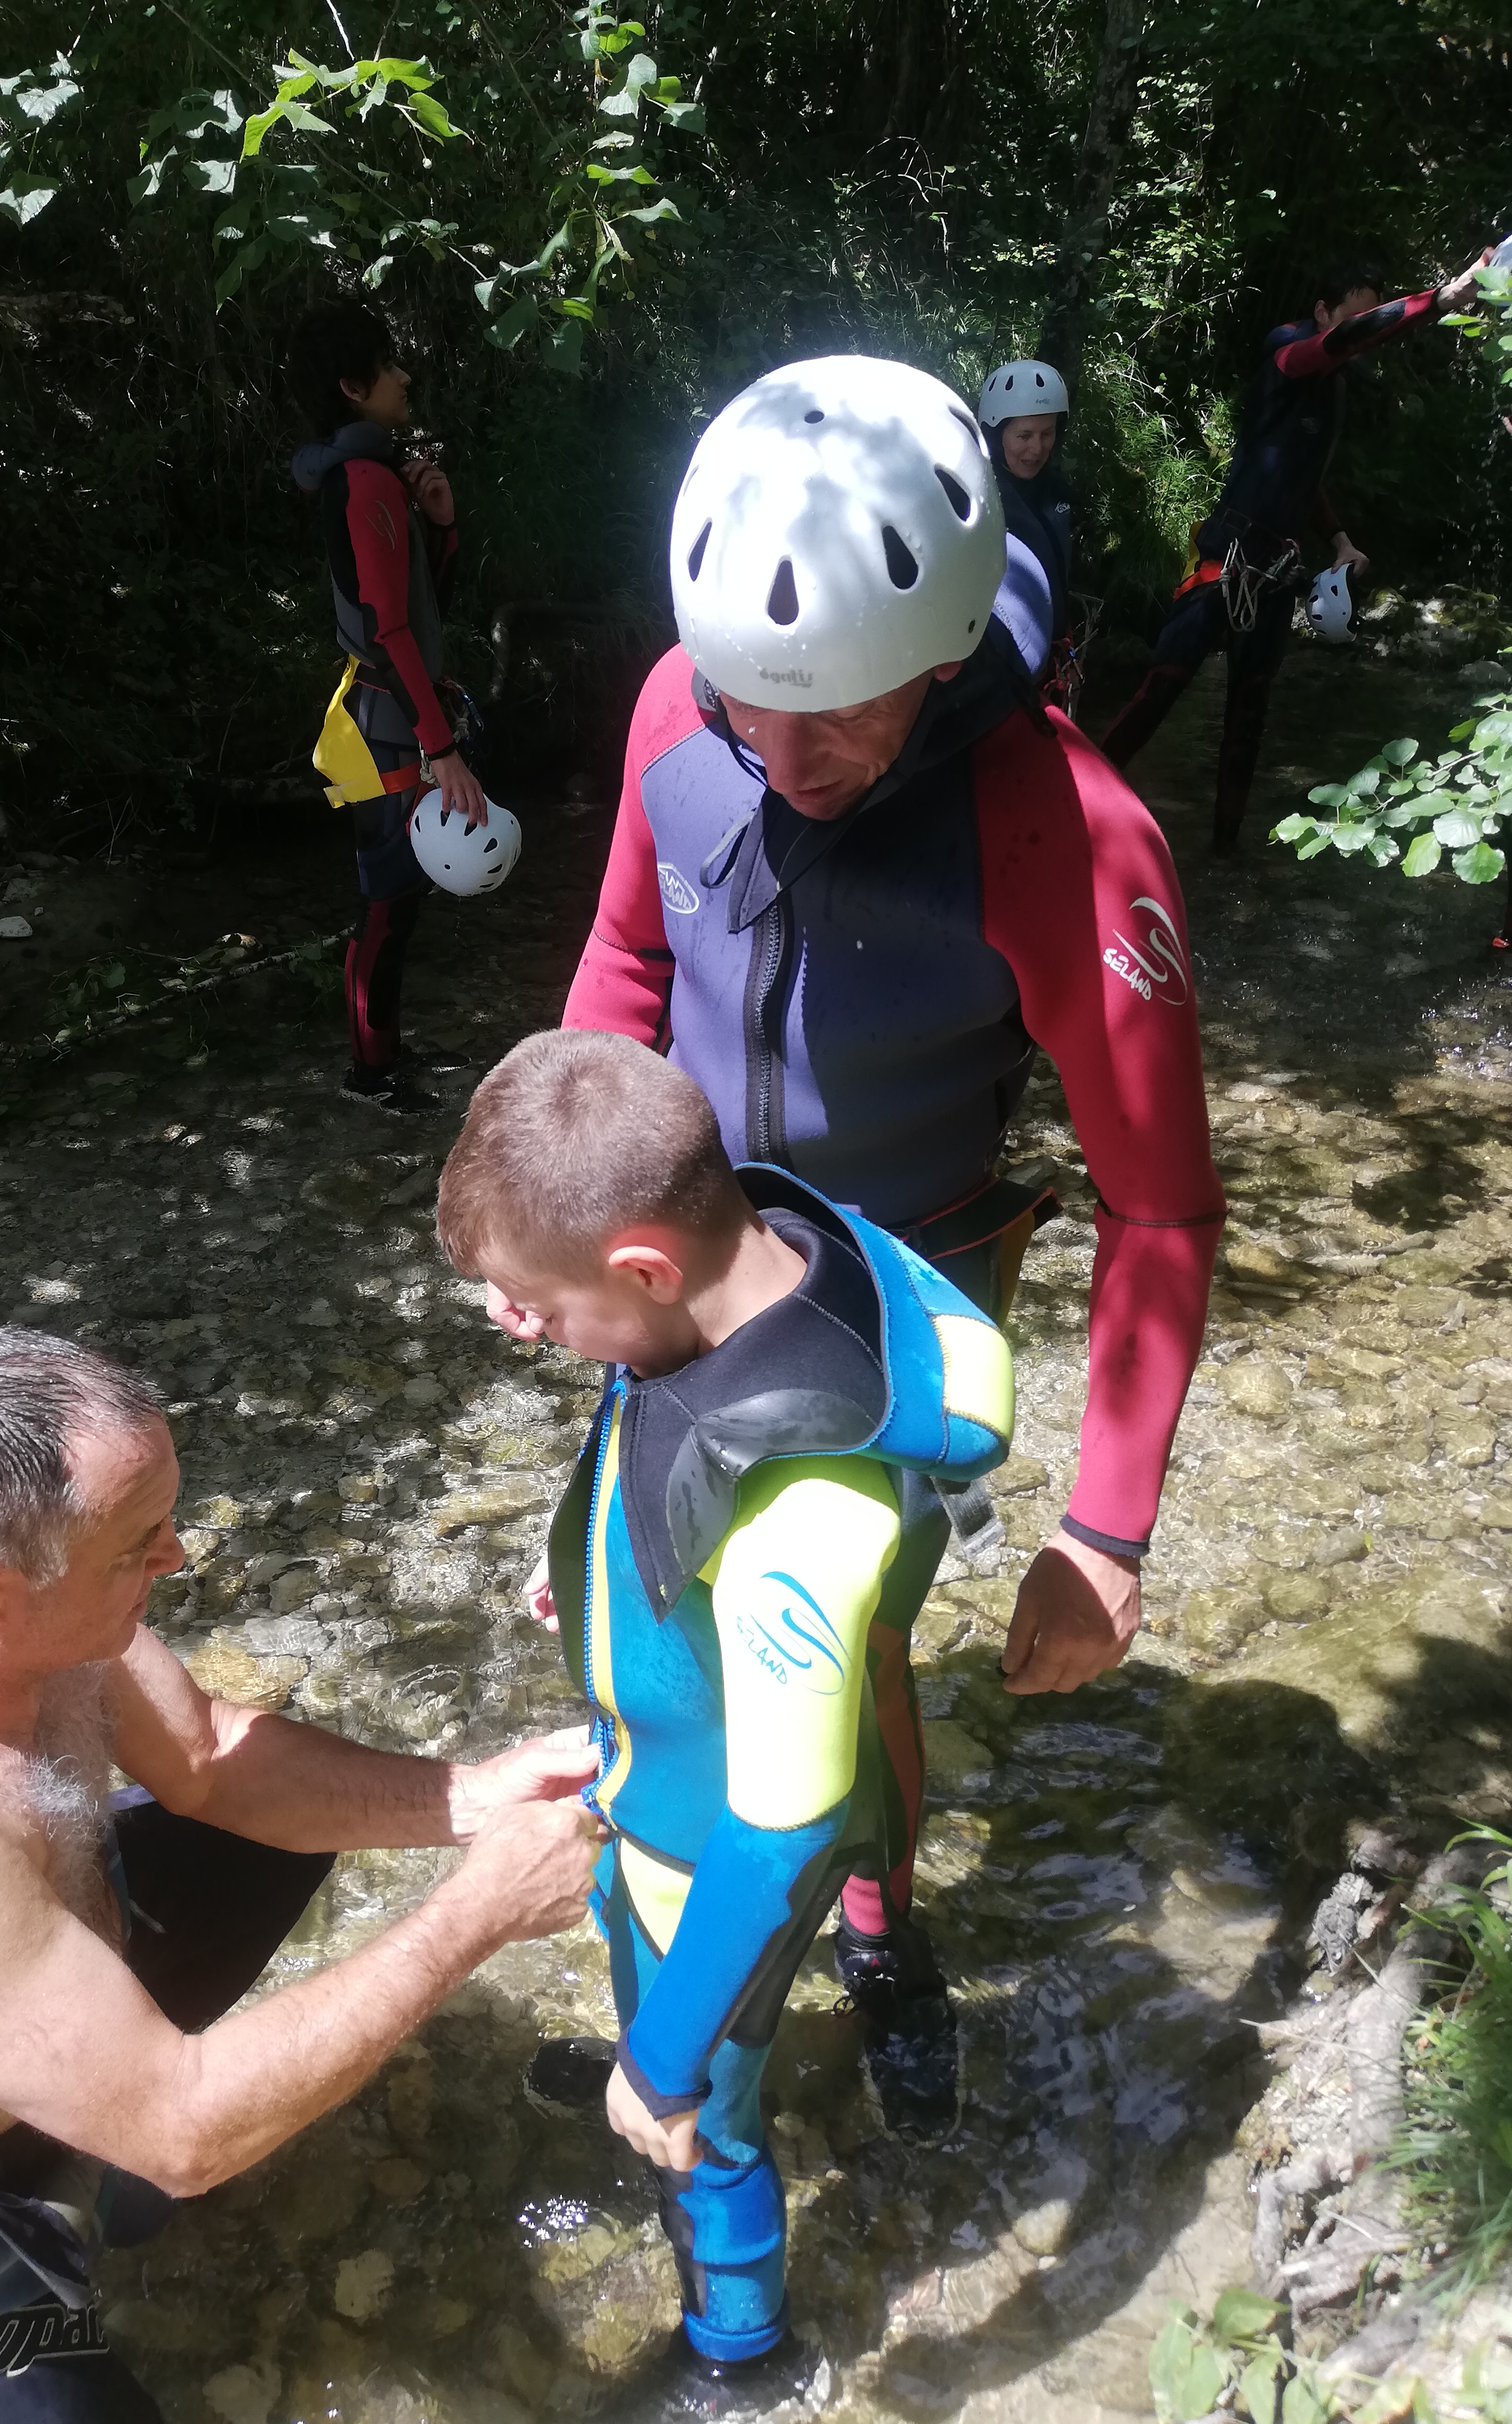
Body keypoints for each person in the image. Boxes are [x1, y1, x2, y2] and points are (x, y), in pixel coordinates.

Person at [560, 351, 1226, 2136]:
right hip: (683, 1260)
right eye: (749, 704)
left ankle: (876, 1929)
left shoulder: (1068, 835)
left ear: (938, 657)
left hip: (899, 1277)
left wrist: (1104, 1531)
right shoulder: (674, 713)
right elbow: (627, 963)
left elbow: (1160, 1202)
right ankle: (689, 1938)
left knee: (837, 1639)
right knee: (654, 1601)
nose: (784, 761)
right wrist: (568, 1219)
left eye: (838, 714)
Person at [0, 1326, 601, 2423]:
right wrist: (482, 1910)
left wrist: (476, 1795)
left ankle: (102, 2151)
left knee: (273, 1843)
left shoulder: (7, 1588)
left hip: (9, 1969)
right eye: (137, 1542)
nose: (175, 1557)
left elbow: (207, 1756)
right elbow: (185, 2133)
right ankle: (82, 2175)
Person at [436, 1029, 1014, 2411]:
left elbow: (781, 1830)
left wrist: (661, 2061)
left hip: (704, 1857)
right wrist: (588, 1561)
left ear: (643, 1264)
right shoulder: (758, 1249)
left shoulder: (796, 1528)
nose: (522, 1326)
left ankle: (740, 2359)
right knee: (671, 2018)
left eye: (539, 1305)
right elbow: (653, 1418)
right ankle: (703, 2029)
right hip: (694, 1749)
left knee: (708, 2129)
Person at [1101, 250, 1489, 854]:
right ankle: (1082, 796)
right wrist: (1439, 299)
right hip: (1226, 555)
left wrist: (1339, 539)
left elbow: (1305, 479)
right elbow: (1342, 342)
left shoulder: (1335, 389)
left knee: (1248, 718)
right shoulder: (1287, 352)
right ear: (1322, 312)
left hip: (1278, 569)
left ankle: (1225, 855)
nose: (1361, 334)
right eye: (1353, 318)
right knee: (1162, 688)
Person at [289, 299, 488, 1114]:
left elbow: (418, 607)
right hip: (387, 729)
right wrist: (442, 750)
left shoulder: (374, 475)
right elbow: (387, 628)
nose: (405, 377)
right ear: (352, 386)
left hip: (392, 716)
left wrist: (441, 528)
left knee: (400, 899)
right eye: (389, 365)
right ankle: (370, 1074)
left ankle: (385, 1053)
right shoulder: (364, 481)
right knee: (386, 902)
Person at [978, 356, 1075, 652]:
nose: (1037, 448)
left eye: (1047, 434)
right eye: (1024, 435)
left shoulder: (1053, 490)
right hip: (1008, 660)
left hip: (1054, 650)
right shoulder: (982, 502)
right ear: (996, 435)